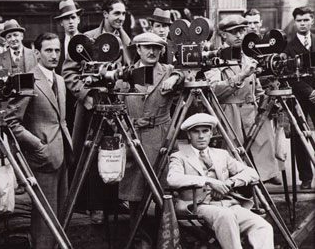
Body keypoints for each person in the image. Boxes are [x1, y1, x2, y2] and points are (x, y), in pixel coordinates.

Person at [62, 0, 131, 223]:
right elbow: (68, 73)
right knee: (90, 155)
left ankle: (115, 201)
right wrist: (85, 94)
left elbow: (131, 73)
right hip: (92, 108)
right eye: (116, 13)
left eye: (123, 13)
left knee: (116, 152)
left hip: (119, 108)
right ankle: (95, 207)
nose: (120, 18)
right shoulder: (87, 39)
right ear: (105, 14)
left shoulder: (128, 43)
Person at [167, 113, 274, 249]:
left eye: (205, 131)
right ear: (189, 135)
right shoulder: (179, 156)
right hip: (197, 206)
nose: (201, 136)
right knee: (226, 217)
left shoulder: (221, 154)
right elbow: (173, 179)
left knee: (262, 226)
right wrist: (208, 181)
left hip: (228, 204)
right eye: (196, 132)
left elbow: (252, 173)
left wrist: (230, 183)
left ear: (211, 133)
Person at [5, 32, 73, 249]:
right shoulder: (28, 80)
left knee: (61, 214)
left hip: (61, 154)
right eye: (48, 50)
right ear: (36, 53)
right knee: (44, 217)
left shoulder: (60, 80)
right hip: (43, 159)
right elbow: (11, 121)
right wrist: (37, 145)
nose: (54, 55)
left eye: (57, 50)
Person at [118, 32, 182, 248]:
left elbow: (189, 76)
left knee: (162, 194)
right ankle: (140, 241)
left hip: (161, 138)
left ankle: (163, 242)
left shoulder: (168, 72)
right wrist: (127, 131)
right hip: (134, 138)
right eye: (147, 47)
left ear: (162, 50)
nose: (152, 51)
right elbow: (117, 107)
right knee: (135, 197)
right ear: (138, 49)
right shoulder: (126, 74)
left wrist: (176, 78)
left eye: (157, 47)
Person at [205, 14, 281, 184]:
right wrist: (240, 76)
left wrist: (267, 103)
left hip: (252, 115)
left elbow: (258, 89)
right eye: (234, 32)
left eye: (241, 31)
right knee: (236, 162)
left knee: (259, 163)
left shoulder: (249, 57)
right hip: (229, 115)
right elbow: (214, 91)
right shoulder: (214, 59)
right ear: (223, 34)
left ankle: (259, 198)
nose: (239, 35)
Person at [284, 6, 315, 189]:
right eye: (299, 20)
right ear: (295, 23)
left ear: (312, 20)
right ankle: (305, 178)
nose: (303, 23)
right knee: (299, 136)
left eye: (306, 19)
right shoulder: (288, 47)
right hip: (298, 97)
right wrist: (309, 92)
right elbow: (289, 75)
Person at [54, 0, 84, 134]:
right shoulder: (56, 46)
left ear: (78, 19)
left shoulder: (87, 42)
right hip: (62, 101)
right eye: (66, 19)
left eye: (73, 17)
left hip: (82, 100)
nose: (70, 22)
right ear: (61, 23)